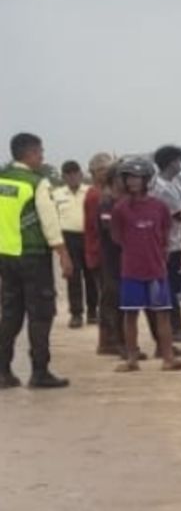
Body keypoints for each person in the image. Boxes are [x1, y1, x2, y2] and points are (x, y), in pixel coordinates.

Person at [0, 133, 72, 389]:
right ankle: (39, 372)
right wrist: (63, 254)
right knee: (40, 314)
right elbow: (49, 222)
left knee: (10, 314)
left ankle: (3, 372)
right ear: (29, 154)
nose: (42, 156)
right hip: (32, 256)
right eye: (40, 152)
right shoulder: (36, 182)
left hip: (6, 257)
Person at [111, 158, 181, 374]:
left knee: (162, 315)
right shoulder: (120, 209)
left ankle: (168, 358)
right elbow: (117, 237)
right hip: (131, 271)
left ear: (147, 179)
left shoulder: (160, 207)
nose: (133, 182)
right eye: (129, 177)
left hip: (156, 271)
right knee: (131, 315)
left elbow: (165, 234)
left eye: (137, 177)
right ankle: (132, 359)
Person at [151, 145, 181, 343]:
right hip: (167, 246)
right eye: (178, 160)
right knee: (169, 289)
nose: (180, 164)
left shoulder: (177, 183)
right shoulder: (160, 188)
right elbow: (180, 214)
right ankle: (175, 329)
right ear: (170, 163)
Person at [85, 153, 124, 356]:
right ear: (93, 173)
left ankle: (111, 339)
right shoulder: (97, 197)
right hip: (101, 252)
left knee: (110, 298)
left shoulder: (104, 194)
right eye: (102, 169)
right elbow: (99, 227)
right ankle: (109, 341)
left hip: (104, 252)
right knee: (110, 298)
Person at [53, 160, 98, 328]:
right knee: (72, 276)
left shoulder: (90, 192)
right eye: (68, 174)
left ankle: (93, 311)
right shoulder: (57, 194)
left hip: (88, 237)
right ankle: (76, 314)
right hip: (68, 238)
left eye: (75, 173)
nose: (72, 177)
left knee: (91, 275)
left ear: (81, 174)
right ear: (63, 177)